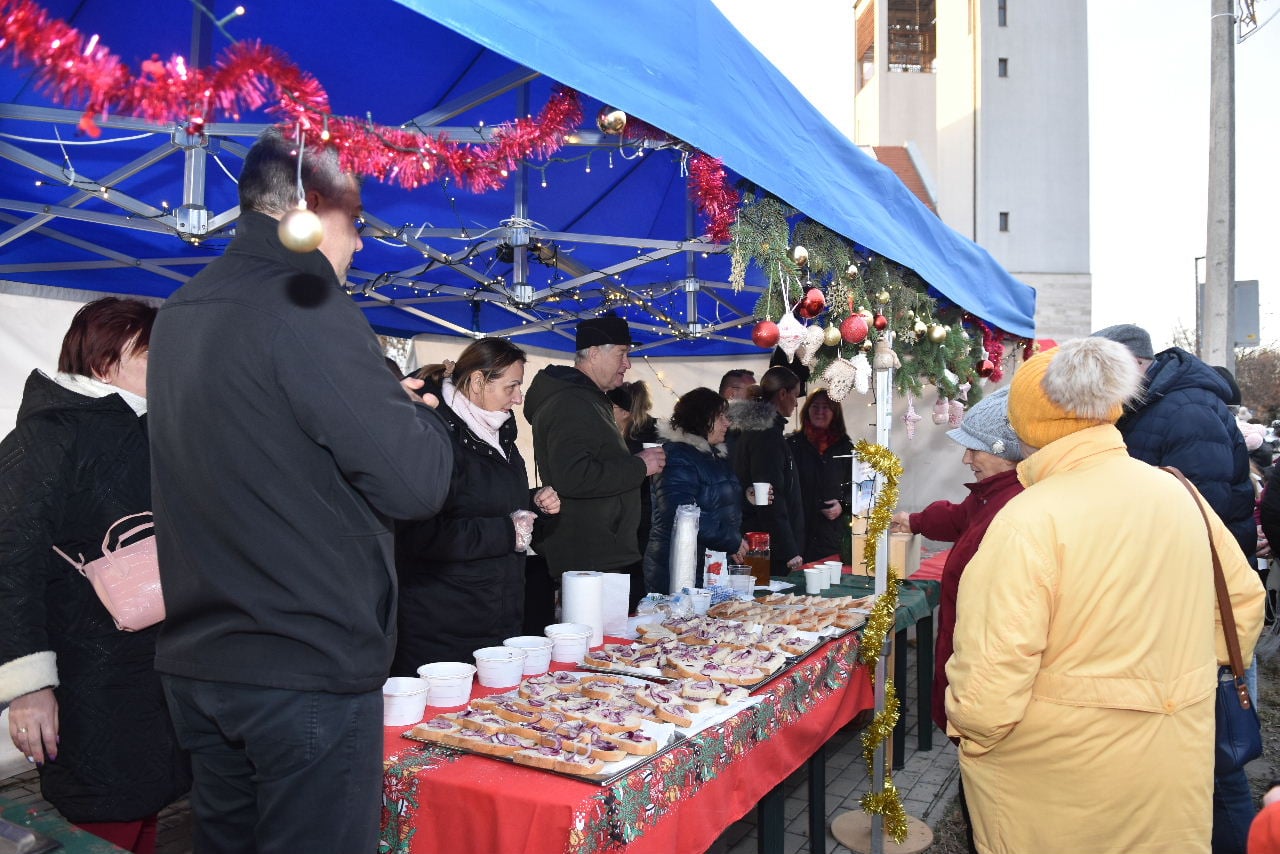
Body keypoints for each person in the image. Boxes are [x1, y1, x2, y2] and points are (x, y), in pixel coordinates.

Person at [147, 127, 454, 853]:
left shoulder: (184, 306)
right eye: (357, 220)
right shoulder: (307, 299)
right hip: (301, 661)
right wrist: (421, 416)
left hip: (203, 653)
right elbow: (416, 484)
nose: (361, 244)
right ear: (312, 206)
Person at [945, 337, 1265, 854]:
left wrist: (970, 730)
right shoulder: (1179, 493)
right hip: (1170, 760)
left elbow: (990, 680)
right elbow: (1244, 604)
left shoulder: (1028, 520)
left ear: (1025, 425)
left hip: (1058, 783)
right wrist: (1170, 679)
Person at [0, 297, 189, 853]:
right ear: (106, 363)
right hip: (88, 675)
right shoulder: (47, 436)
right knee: (103, 813)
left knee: (147, 803)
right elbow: (9, 562)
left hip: (154, 665)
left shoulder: (151, 429)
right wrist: (29, 686)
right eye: (152, 355)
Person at [1094, 323, 1258, 854]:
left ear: (1135, 364)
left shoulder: (1185, 409)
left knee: (1215, 760)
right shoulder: (1154, 405)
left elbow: (1201, 517)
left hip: (1196, 603)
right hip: (1179, 598)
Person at [890, 387, 1024, 854]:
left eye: (976, 449)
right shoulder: (994, 496)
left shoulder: (1017, 507)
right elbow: (959, 517)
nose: (967, 459)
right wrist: (914, 520)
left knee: (993, 814)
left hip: (990, 686)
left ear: (1007, 451)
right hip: (973, 674)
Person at [391, 339, 559, 672]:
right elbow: (418, 532)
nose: (519, 397)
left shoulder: (499, 431)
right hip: (443, 623)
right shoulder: (434, 433)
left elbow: (486, 500)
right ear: (479, 381)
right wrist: (507, 532)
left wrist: (533, 504)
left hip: (495, 612)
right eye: (512, 386)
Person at [524, 313, 665, 611]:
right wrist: (640, 465)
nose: (627, 364)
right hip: (589, 559)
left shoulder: (588, 400)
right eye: (622, 353)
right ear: (594, 353)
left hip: (598, 556)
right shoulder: (571, 402)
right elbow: (573, 476)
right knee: (596, 639)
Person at [643, 388, 746, 594]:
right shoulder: (677, 456)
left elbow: (716, 500)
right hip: (680, 567)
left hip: (708, 564)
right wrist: (731, 540)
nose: (727, 423)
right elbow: (682, 513)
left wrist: (748, 498)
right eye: (720, 417)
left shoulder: (712, 455)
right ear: (701, 418)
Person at [730, 366, 805, 575]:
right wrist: (788, 549)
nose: (796, 403)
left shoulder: (760, 430)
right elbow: (770, 497)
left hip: (761, 541)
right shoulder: (766, 435)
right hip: (764, 547)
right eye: (795, 395)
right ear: (783, 394)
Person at [788, 388, 855, 562]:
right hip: (799, 533)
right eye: (815, 406)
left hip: (831, 536)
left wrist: (842, 505)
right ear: (807, 410)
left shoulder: (846, 448)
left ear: (835, 413)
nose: (819, 411)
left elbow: (857, 487)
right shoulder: (792, 445)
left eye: (825, 407)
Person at [610, 380, 659, 563]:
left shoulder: (630, 443)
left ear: (624, 411)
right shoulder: (654, 432)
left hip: (639, 521)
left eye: (610, 407)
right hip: (651, 518)